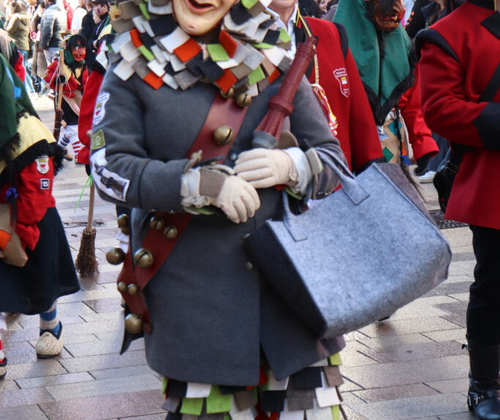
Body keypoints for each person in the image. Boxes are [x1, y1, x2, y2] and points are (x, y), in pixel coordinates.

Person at [91, 0, 350, 417]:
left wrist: (293, 165)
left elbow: (333, 161)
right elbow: (107, 168)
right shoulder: (131, 56)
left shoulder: (273, 51)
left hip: (292, 304)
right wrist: (192, 184)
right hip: (196, 308)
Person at [417, 1, 500, 418]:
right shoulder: (449, 32)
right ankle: (483, 385)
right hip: (495, 181)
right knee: (495, 286)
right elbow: (438, 108)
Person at [0, 49, 80, 380]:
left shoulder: (27, 128)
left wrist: (25, 230)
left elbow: (37, 189)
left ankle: (51, 326)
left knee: (42, 271)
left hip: (30, 213)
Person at [269, 0, 384, 173]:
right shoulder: (232, 41)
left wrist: (373, 175)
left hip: (335, 179)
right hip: (267, 179)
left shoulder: (331, 33)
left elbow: (360, 120)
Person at [332, 0, 438, 173]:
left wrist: (423, 145)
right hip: (349, 145)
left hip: (391, 143)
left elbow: (411, 100)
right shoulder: (335, 40)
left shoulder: (400, 41)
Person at [404, 0, 463, 184]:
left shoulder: (457, 11)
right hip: (428, 72)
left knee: (447, 117)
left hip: (449, 73)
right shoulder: (427, 8)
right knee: (433, 116)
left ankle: (439, 164)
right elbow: (409, 34)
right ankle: (433, 163)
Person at [44, 34, 88, 161]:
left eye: (82, 47)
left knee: (73, 125)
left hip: (78, 98)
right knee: (72, 126)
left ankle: (59, 149)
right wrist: (58, 79)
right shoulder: (59, 63)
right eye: (76, 47)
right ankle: (78, 154)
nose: (80, 51)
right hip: (64, 97)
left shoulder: (84, 65)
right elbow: (47, 76)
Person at [5, 1, 35, 93]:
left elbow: (8, 31)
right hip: (25, 45)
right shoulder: (26, 17)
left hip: (17, 45)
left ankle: (25, 91)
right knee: (23, 69)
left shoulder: (15, 17)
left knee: (20, 70)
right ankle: (31, 90)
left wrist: (7, 20)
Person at [39, 0, 67, 66]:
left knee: (52, 68)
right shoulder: (61, 10)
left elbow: (47, 31)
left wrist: (42, 46)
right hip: (60, 44)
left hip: (51, 46)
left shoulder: (49, 12)